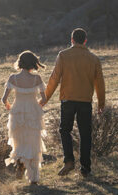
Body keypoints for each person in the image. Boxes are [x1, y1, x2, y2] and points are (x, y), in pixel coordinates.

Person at [43, 28, 105, 178]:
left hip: (68, 100)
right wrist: (101, 103)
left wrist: (44, 99)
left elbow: (54, 78)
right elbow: (100, 83)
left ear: (72, 40)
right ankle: (85, 168)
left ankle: (69, 161)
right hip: (85, 101)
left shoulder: (63, 55)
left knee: (65, 130)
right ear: (85, 41)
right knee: (85, 134)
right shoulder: (94, 58)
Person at [1, 50, 48, 185]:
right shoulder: (36, 79)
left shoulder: (13, 78)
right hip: (33, 113)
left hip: (17, 112)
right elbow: (44, 99)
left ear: (20, 63)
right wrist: (36, 106)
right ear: (34, 63)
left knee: (19, 142)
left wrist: (9, 106)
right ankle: (33, 178)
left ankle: (20, 163)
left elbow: (4, 99)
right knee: (33, 143)